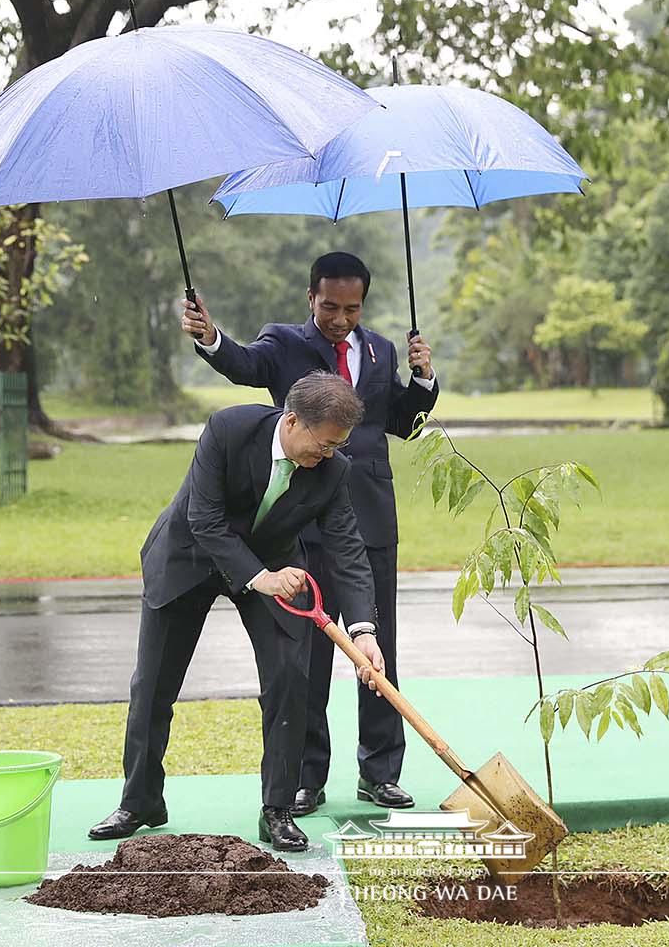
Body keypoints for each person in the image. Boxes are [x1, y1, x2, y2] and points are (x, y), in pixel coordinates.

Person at [182, 251, 436, 817]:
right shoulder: (283, 344)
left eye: (352, 308)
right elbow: (243, 365)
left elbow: (403, 423)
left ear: (363, 304)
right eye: (329, 306)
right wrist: (210, 336)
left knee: (376, 647)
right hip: (305, 520)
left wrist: (422, 380)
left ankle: (381, 771)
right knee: (311, 654)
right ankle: (306, 777)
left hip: (371, 518)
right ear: (310, 297)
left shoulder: (381, 350)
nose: (340, 318)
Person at [88, 373, 385, 852]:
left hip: (274, 566)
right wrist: (259, 577)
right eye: (324, 444)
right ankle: (140, 801)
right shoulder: (227, 429)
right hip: (188, 557)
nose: (328, 455)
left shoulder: (334, 471)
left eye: (338, 446)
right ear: (292, 421)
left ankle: (278, 809)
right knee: (153, 683)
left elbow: (348, 550)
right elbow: (202, 519)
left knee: (291, 678)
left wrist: (364, 632)